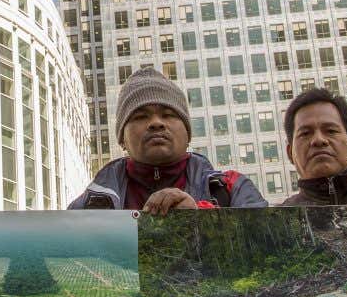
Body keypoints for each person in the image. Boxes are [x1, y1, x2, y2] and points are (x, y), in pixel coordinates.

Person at [69, 66, 266, 212]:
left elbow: (272, 249)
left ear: (188, 133)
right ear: (122, 139)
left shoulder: (233, 188)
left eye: (168, 114)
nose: (156, 123)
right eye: (140, 116)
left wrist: (202, 217)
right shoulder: (88, 206)